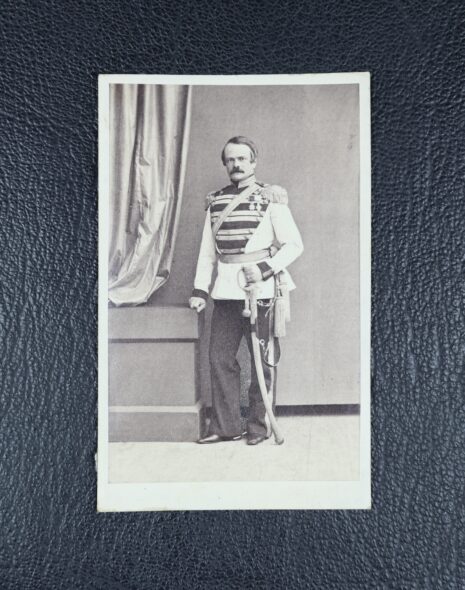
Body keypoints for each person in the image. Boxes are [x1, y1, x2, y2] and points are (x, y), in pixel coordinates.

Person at [189, 136, 303, 445]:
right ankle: (226, 427)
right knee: (219, 358)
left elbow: (294, 245)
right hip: (226, 292)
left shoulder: (270, 198)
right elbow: (207, 253)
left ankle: (258, 427)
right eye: (231, 159)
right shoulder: (216, 202)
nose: (236, 164)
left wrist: (265, 268)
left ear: (253, 162)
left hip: (260, 292)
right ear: (225, 164)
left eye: (242, 159)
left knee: (262, 362)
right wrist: (200, 290)